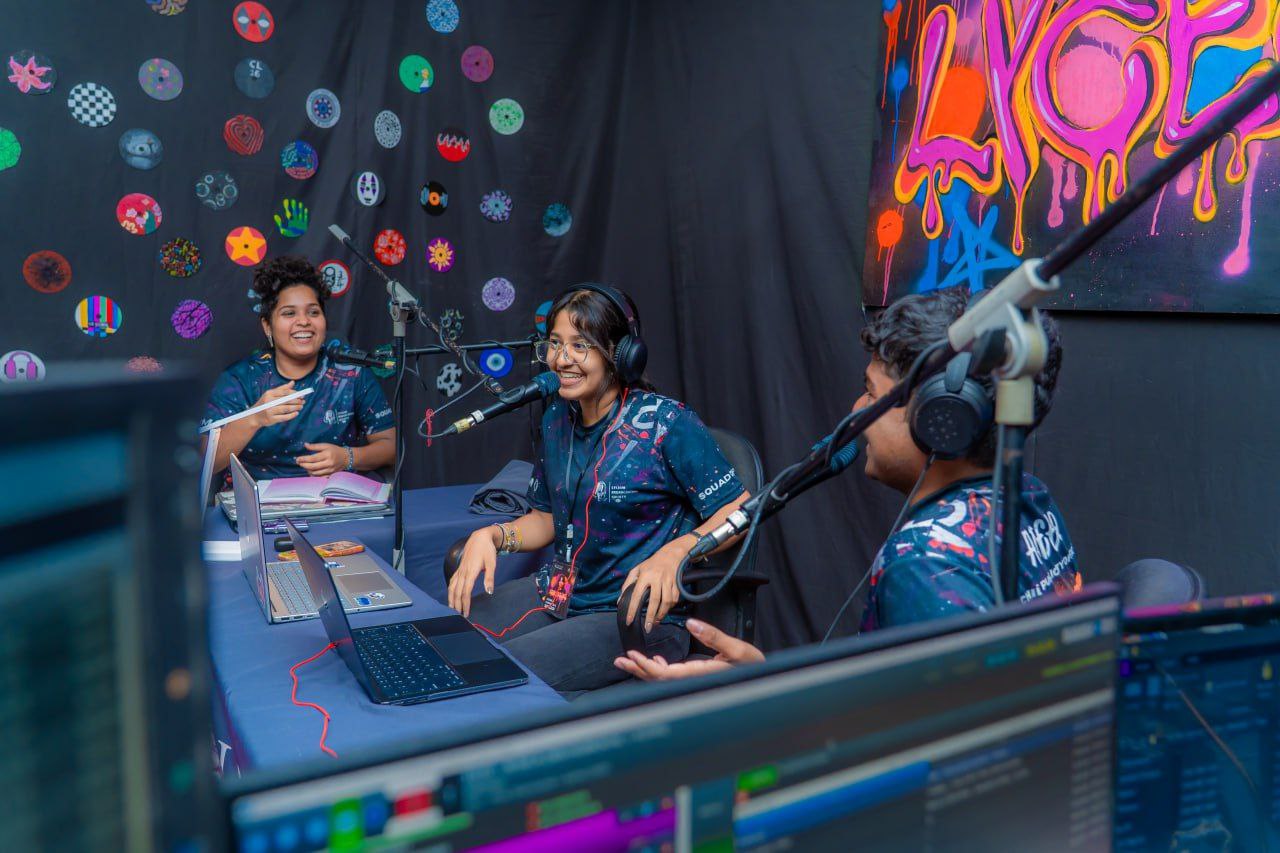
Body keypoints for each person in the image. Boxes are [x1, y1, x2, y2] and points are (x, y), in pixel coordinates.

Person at [615, 286, 1079, 682]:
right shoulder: (1029, 498)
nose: (857, 411)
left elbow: (914, 761)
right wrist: (760, 677)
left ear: (940, 417)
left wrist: (747, 708)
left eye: (872, 394)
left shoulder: (924, 562)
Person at [446, 283, 750, 693]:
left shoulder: (666, 423)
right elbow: (546, 520)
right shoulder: (556, 418)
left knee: (496, 675)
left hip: (632, 616)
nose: (561, 359)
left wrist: (680, 550)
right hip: (560, 595)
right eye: (554, 344)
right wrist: (492, 535)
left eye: (580, 345)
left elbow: (740, 511)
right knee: (449, 645)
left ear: (621, 355)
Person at [202, 255, 395, 484]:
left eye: (313, 312)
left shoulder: (351, 374)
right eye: (289, 313)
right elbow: (205, 462)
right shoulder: (239, 379)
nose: (304, 321)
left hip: (332, 505)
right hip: (257, 509)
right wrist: (254, 418)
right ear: (267, 326)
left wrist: (348, 457)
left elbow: (391, 446)